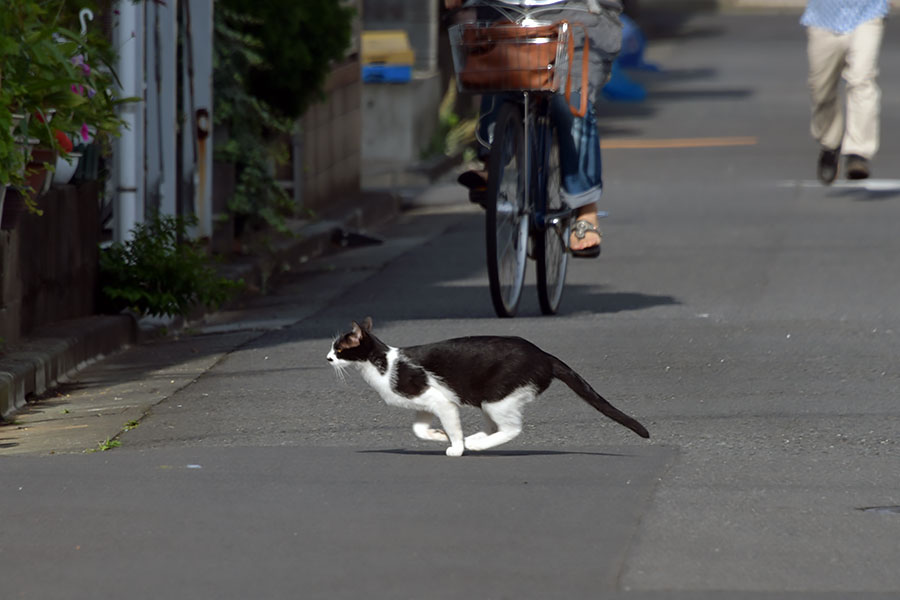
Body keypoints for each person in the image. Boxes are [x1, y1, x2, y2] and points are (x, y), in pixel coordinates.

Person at [448, 0, 622, 257]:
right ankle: (491, 163)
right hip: (506, 10)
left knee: (570, 101)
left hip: (573, 12)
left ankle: (586, 210)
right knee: (501, 77)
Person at [801, 0, 889, 184]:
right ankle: (830, 143)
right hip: (823, 18)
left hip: (867, 14)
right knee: (821, 90)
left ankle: (858, 153)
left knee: (861, 80)